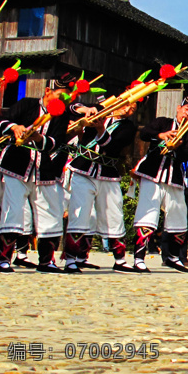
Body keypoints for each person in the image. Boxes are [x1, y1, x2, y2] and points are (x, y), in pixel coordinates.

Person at [0, 74, 76, 273]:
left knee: (50, 214)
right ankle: (4, 260)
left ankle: (46, 261)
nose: (62, 100)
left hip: (45, 171)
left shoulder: (62, 115)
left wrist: (40, 138)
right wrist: (14, 127)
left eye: (66, 97)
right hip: (16, 166)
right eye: (60, 95)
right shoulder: (26, 104)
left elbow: (56, 142)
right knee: (13, 211)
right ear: (48, 91)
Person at [62, 93, 139, 273]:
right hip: (82, 170)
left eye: (133, 109)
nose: (128, 110)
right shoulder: (99, 111)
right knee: (79, 213)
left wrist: (100, 130)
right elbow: (71, 108)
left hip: (108, 173)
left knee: (114, 214)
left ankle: (120, 259)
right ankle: (71, 259)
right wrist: (85, 110)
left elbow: (112, 147)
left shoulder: (129, 127)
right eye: (127, 105)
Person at [130, 99, 188, 273]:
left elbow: (185, 155)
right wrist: (162, 135)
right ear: (178, 108)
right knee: (148, 214)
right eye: (186, 109)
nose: (187, 113)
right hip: (152, 173)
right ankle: (139, 258)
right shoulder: (163, 122)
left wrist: (177, 146)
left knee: (179, 215)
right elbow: (145, 133)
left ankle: (172, 256)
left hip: (174, 177)